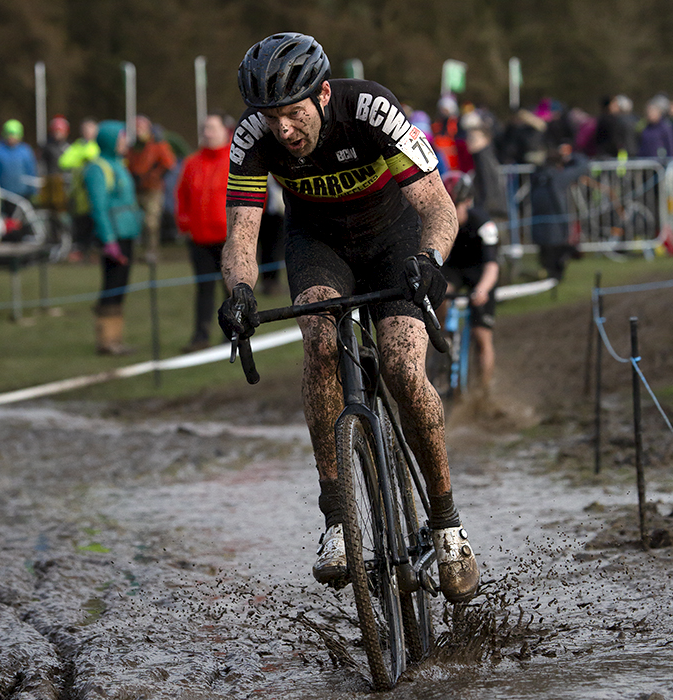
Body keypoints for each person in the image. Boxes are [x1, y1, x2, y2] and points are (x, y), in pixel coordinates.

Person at [217, 33, 479, 603]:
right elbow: (242, 230)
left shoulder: (370, 111)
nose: (284, 130)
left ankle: (448, 522)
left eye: (293, 114)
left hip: (395, 241)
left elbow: (438, 207)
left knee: (404, 368)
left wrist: (430, 260)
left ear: (323, 94)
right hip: (319, 245)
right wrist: (238, 291)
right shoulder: (250, 139)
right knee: (318, 341)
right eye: (271, 117)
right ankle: (338, 519)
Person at [176, 112, 233, 352]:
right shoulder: (192, 162)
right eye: (205, 128)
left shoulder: (235, 159)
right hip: (199, 239)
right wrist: (185, 223)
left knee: (231, 289)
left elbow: (256, 196)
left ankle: (233, 335)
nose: (207, 133)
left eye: (212, 128)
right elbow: (182, 196)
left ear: (225, 130)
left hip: (228, 238)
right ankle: (200, 335)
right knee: (204, 290)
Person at [439, 171, 500, 397]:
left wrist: (482, 289)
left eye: (454, 206)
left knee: (482, 336)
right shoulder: (441, 224)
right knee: (441, 292)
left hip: (480, 273)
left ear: (467, 202)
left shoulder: (483, 224)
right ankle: (442, 336)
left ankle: (484, 390)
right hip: (454, 270)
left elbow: (492, 265)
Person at [84, 120, 143, 355]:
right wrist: (108, 240)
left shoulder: (119, 164)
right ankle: (107, 341)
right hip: (114, 237)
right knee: (111, 286)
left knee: (120, 286)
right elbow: (98, 207)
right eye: (120, 138)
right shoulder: (98, 168)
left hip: (126, 234)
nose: (124, 142)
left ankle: (116, 339)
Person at [530, 142, 589, 281]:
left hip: (539, 230)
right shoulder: (558, 177)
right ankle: (554, 278)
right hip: (556, 231)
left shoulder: (536, 175)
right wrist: (571, 156)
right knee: (556, 266)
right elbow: (583, 165)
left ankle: (548, 276)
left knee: (547, 262)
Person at [127, 115, 176, 261]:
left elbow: (169, 163)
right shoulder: (132, 147)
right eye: (136, 128)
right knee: (136, 222)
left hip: (153, 189)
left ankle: (152, 251)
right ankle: (139, 250)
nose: (138, 131)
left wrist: (153, 175)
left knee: (151, 222)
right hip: (137, 189)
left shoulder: (157, 144)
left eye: (141, 127)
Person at [59, 117, 101, 261]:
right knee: (81, 224)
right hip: (80, 194)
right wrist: (83, 157)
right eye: (85, 130)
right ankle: (81, 252)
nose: (88, 133)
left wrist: (86, 157)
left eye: (91, 129)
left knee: (97, 223)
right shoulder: (77, 146)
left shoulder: (101, 145)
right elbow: (64, 161)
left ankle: (95, 252)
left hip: (97, 193)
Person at [0, 119, 38, 208]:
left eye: (14, 134)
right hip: (4, 194)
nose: (11, 138)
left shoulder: (25, 150)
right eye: (9, 134)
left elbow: (31, 170)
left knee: (22, 218)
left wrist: (33, 191)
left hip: (23, 193)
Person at [637, 95, 673, 159]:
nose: (650, 114)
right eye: (649, 112)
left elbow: (670, 146)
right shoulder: (645, 129)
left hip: (662, 164)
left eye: (652, 112)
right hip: (647, 163)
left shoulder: (665, 128)